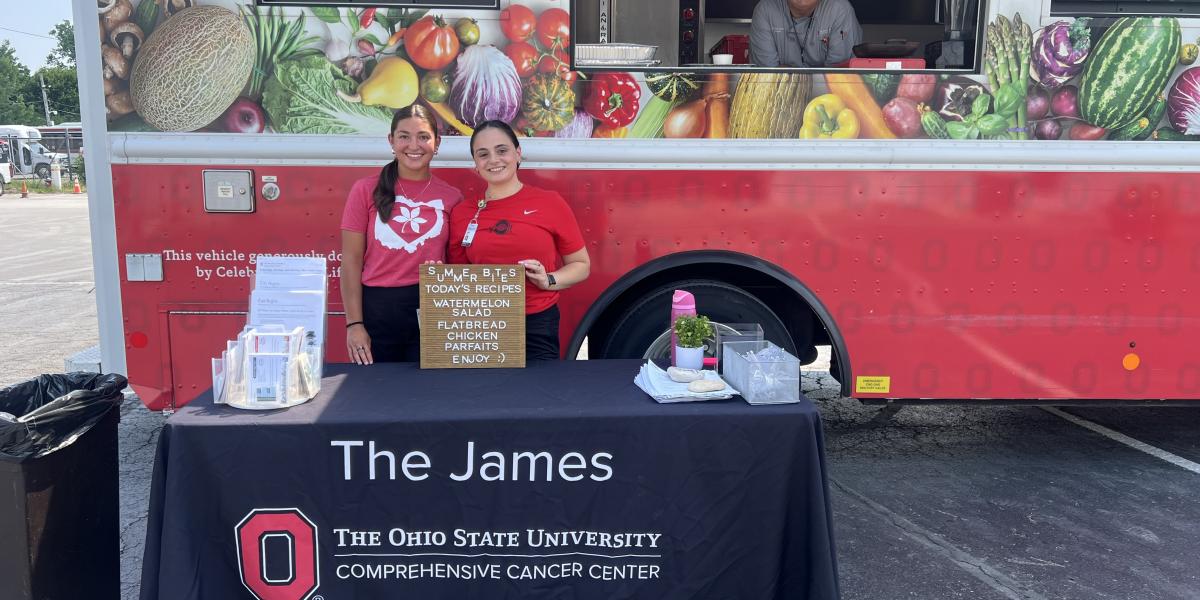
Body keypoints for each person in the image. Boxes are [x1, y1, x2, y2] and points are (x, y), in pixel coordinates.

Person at [448, 121, 590, 361]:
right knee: (484, 396)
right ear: (475, 165)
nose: (493, 159)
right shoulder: (463, 212)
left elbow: (581, 265)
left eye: (502, 150)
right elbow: (460, 274)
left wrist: (549, 280)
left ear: (518, 153)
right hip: (482, 325)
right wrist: (441, 278)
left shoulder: (549, 203)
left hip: (536, 324)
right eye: (483, 154)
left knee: (538, 395)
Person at [340, 105, 464, 365]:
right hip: (378, 312)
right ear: (391, 141)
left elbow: (457, 261)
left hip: (432, 307)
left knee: (429, 394)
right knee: (379, 396)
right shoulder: (364, 190)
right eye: (404, 136)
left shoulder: (452, 196)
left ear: (437, 143)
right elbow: (351, 261)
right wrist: (355, 324)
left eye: (423, 137)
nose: (414, 145)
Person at [750, 0, 862, 68]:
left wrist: (787, 72)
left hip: (828, 100)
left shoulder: (840, 10)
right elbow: (768, 76)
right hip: (778, 98)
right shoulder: (765, 9)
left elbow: (837, 77)